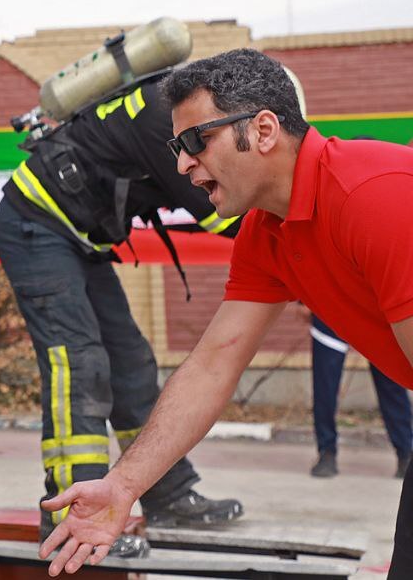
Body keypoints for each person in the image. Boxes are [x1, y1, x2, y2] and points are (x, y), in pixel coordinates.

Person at [39, 48, 413, 576]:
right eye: (176, 145)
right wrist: (123, 486)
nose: (181, 163)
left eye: (196, 141)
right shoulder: (266, 234)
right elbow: (215, 363)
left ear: (263, 131)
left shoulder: (373, 198)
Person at [0, 76, 244, 557]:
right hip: (34, 222)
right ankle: (73, 513)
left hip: (80, 237)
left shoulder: (179, 110)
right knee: (79, 364)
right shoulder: (166, 122)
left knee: (130, 360)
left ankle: (166, 490)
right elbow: (228, 215)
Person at [308, 312, 412, 478]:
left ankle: (406, 451)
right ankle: (326, 451)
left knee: (391, 383)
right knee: (325, 384)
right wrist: (302, 301)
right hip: (329, 305)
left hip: (375, 306)